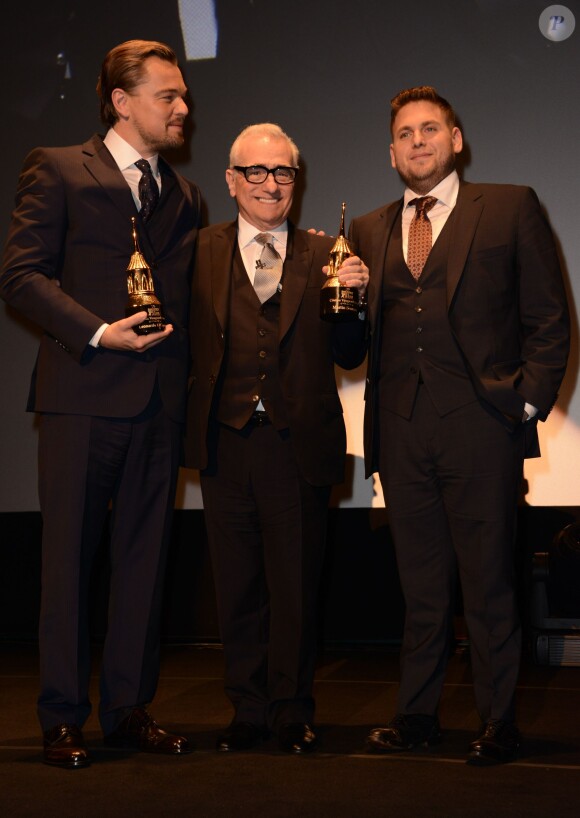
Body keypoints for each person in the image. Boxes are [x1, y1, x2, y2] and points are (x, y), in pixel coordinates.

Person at [347, 86, 569, 765]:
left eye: (430, 130)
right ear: (391, 153)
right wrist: (347, 305)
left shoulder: (508, 206)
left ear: (456, 140)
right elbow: (354, 350)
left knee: (489, 582)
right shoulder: (369, 229)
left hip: (482, 426)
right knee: (421, 587)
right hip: (403, 431)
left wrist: (524, 403)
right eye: (406, 134)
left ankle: (498, 719)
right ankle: (417, 716)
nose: (418, 141)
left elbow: (551, 318)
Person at [0, 40, 201, 768]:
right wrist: (96, 332)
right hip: (82, 397)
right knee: (69, 564)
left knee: (144, 566)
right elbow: (20, 276)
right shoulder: (57, 168)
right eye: (168, 96)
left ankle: (127, 709)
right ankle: (61, 716)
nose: (184, 108)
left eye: (183, 95)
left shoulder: (184, 194)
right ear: (122, 101)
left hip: (158, 406)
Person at [185, 123, 368, 754]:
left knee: (294, 588)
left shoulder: (328, 254)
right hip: (225, 441)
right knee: (235, 586)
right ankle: (249, 708)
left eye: (282, 173)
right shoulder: (198, 249)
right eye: (256, 173)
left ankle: (292, 709)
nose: (270, 184)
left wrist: (355, 300)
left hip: (299, 445)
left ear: (297, 181)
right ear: (232, 181)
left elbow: (348, 355)